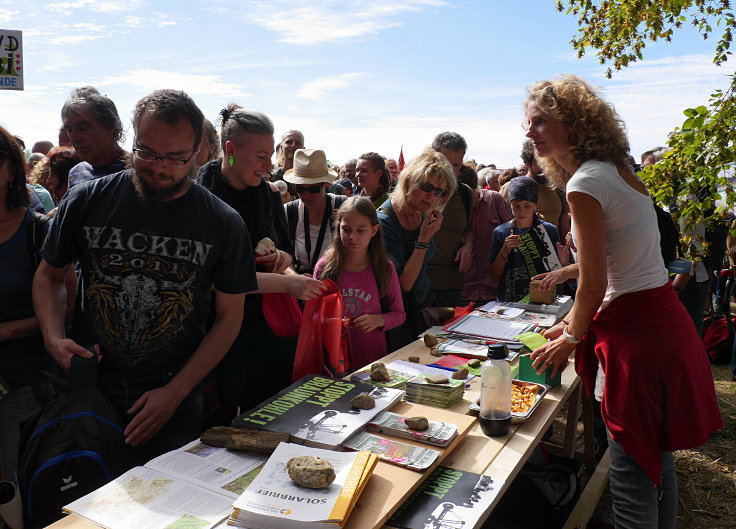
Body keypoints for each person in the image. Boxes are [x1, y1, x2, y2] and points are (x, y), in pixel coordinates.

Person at [525, 75, 722, 529]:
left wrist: (571, 336)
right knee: (658, 462)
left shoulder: (586, 184)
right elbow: (623, 272)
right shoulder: (617, 173)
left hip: (637, 344)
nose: (530, 131)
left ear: (573, 121)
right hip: (659, 328)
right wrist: (572, 326)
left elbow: (595, 285)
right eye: (528, 123)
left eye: (540, 121)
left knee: (632, 482)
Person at [34, 89, 254, 462]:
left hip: (174, 395)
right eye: (147, 152)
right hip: (92, 387)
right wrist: (54, 339)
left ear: (198, 151)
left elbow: (229, 318)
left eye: (175, 157)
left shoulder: (223, 222)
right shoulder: (87, 200)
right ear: (133, 137)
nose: (158, 166)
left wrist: (176, 391)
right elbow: (49, 275)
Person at [198, 104, 327, 423]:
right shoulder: (201, 200)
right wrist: (287, 282)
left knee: (272, 415)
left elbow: (284, 254)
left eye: (271, 155)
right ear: (230, 150)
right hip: (218, 332)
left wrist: (283, 263)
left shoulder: (269, 196)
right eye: (261, 157)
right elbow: (217, 279)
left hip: (268, 330)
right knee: (221, 423)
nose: (269, 166)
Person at [0, 127, 75, 481]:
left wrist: (7, 330)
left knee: (15, 486)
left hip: (27, 386)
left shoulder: (37, 232)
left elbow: (66, 310)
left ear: (12, 170)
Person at [314, 197, 405, 369]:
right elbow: (313, 313)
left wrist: (379, 320)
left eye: (360, 230)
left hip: (373, 361)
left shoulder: (384, 269)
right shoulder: (325, 267)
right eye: (346, 229)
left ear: (374, 230)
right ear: (338, 227)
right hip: (332, 361)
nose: (352, 237)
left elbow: (399, 314)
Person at [378, 148, 456, 349]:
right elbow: (404, 282)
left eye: (439, 192)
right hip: (391, 320)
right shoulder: (384, 220)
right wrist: (423, 239)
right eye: (427, 187)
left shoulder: (422, 215)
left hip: (415, 311)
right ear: (409, 181)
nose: (432, 196)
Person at [489, 177, 564, 302]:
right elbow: (494, 275)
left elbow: (557, 271)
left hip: (541, 299)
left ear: (535, 204)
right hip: (509, 301)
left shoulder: (549, 230)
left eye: (527, 206)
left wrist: (564, 261)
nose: (521, 211)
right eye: (516, 206)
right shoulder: (501, 232)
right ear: (509, 204)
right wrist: (504, 251)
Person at [426, 131, 474, 308]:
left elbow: (468, 230)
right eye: (445, 163)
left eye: (456, 164)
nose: (450, 170)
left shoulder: (464, 193)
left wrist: (468, 246)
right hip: (419, 284)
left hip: (451, 284)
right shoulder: (417, 191)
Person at [284, 148, 347, 275]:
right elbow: (283, 255)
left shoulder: (343, 206)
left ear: (325, 184)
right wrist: (295, 278)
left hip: (336, 286)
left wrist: (345, 227)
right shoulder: (289, 211)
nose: (306, 195)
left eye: (313, 189)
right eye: (300, 189)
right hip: (300, 288)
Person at [457, 164, 512, 305]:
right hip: (463, 292)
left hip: (495, 290)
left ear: (475, 187)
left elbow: (511, 231)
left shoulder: (495, 200)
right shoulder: (452, 207)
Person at [61, 86, 129, 188]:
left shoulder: (137, 171)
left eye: (83, 128)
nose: (74, 138)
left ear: (110, 126)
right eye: (69, 130)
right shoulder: (76, 173)